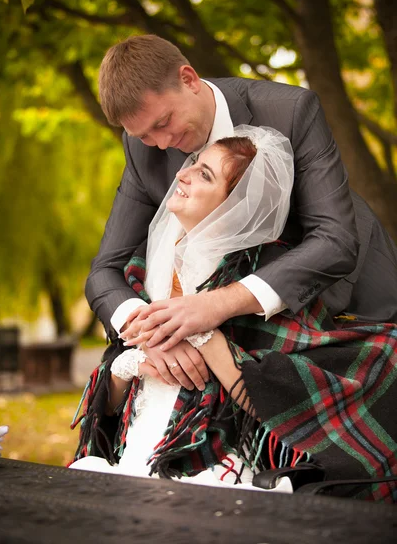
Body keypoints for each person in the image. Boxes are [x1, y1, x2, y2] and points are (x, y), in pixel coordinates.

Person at [71, 128, 397, 502]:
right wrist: (131, 364)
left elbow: (271, 396)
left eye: (205, 174)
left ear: (235, 206)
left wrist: (203, 333)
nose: (182, 174)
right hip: (133, 455)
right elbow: (110, 412)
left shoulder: (259, 284)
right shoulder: (143, 271)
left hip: (205, 464)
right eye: (194, 164)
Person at [87, 34, 397, 365]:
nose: (161, 144)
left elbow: (334, 240)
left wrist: (215, 305)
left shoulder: (291, 111)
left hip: (349, 299)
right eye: (144, 135)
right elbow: (105, 269)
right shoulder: (141, 146)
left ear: (188, 80)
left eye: (164, 123)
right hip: (233, 337)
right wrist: (153, 335)